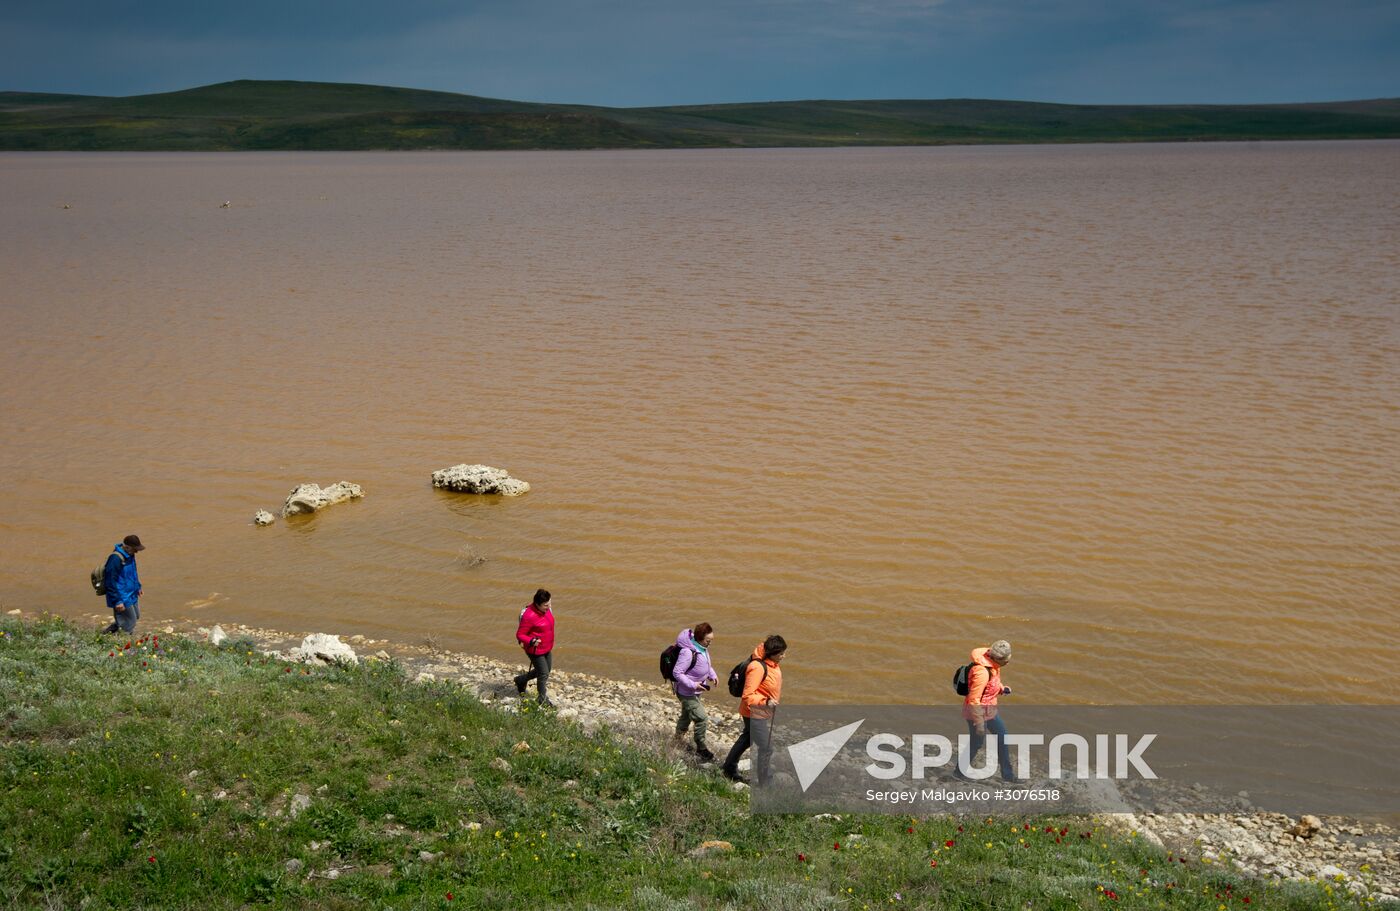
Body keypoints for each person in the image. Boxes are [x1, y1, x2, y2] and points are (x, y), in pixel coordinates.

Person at [722, 634, 786, 784]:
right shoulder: (757, 667)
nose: (784, 656)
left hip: (760, 710)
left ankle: (728, 769)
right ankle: (765, 783)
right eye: (781, 653)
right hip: (754, 711)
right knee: (767, 747)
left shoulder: (772, 663)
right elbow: (747, 695)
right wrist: (766, 701)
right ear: (772, 653)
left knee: (746, 739)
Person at [958, 639, 1019, 782]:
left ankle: (1008, 776)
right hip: (977, 713)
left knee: (1002, 737)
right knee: (976, 743)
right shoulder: (982, 672)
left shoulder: (992, 665)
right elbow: (974, 699)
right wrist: (979, 723)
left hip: (989, 710)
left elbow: (991, 684)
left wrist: (1002, 689)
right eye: (1006, 660)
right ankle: (958, 773)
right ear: (999, 659)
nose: (1008, 663)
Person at [670, 622, 719, 762]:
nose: (710, 644)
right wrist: (693, 684)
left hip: (695, 691)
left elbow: (705, 664)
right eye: (708, 641)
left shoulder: (702, 648)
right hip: (686, 692)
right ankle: (701, 747)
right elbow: (677, 673)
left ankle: (677, 740)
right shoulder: (687, 652)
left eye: (711, 641)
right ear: (699, 638)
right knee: (701, 718)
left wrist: (712, 675)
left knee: (686, 715)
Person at [513, 589, 555, 707]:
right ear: (537, 604)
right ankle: (542, 699)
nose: (549, 606)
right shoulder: (529, 616)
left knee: (545, 671)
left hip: (547, 646)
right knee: (543, 674)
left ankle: (520, 680)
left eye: (550, 603)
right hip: (535, 649)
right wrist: (531, 641)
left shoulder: (547, 609)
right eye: (546, 605)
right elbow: (520, 634)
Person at [102, 535, 145, 635]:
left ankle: (107, 633)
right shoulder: (115, 559)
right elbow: (110, 582)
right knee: (130, 622)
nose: (136, 552)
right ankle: (122, 645)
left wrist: (138, 586)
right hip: (122, 596)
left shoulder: (130, 555)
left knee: (135, 616)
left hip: (131, 593)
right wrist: (117, 601)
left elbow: (133, 573)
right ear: (127, 547)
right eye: (135, 549)